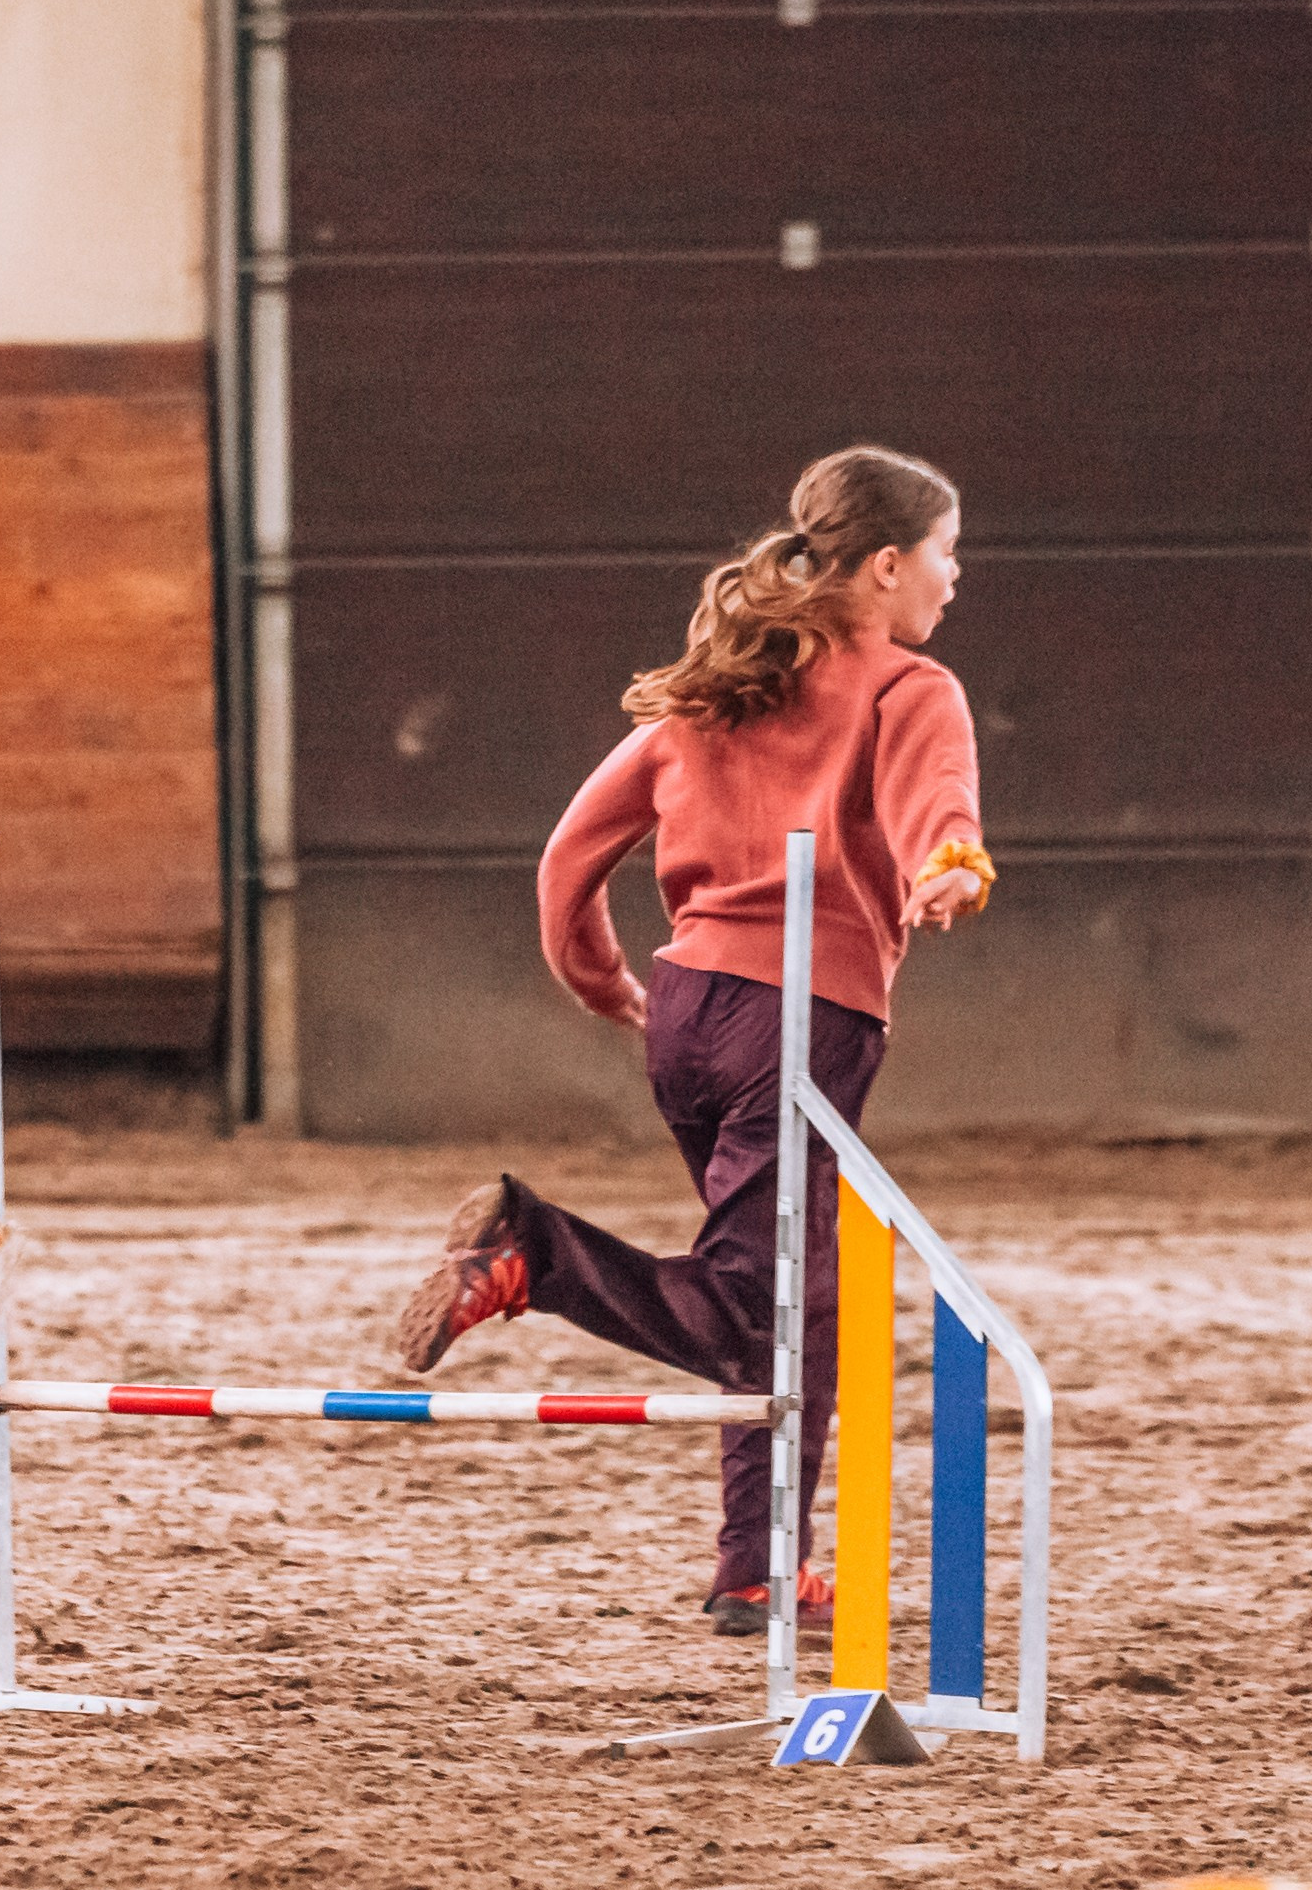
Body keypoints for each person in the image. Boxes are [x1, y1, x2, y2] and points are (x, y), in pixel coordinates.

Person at [391, 443, 994, 1638]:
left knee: (782, 1303)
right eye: (944, 553)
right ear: (884, 566)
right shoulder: (906, 688)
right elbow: (939, 809)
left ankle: (753, 1568)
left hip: (687, 1017)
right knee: (762, 1308)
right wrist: (955, 866)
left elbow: (569, 855)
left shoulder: (709, 697)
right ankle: (536, 1253)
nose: (953, 577)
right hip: (803, 1023)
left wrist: (603, 979)